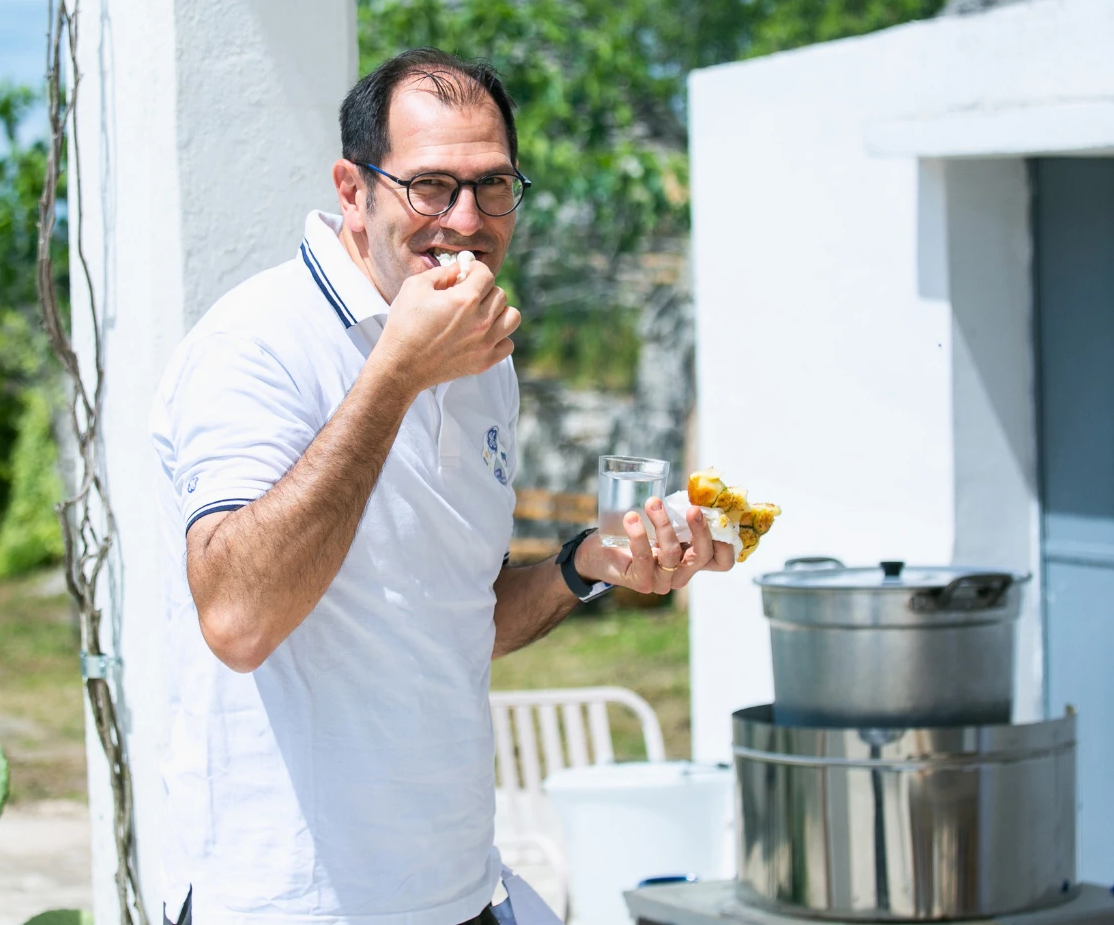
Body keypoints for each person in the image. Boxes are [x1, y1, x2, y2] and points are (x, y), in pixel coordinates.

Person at [149, 47, 734, 925]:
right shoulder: (255, 345)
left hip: (456, 891)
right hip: (288, 903)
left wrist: (588, 564)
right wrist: (396, 374)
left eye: (492, 186)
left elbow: (451, 616)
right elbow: (237, 616)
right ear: (354, 190)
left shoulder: (480, 360)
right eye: (430, 186)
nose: (464, 220)